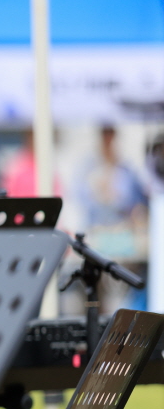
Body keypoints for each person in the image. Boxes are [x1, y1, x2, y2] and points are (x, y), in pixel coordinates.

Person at [74, 125, 150, 311]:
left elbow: (136, 202)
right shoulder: (89, 168)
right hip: (100, 234)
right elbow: (83, 200)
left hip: (121, 235)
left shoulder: (125, 169)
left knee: (122, 287)